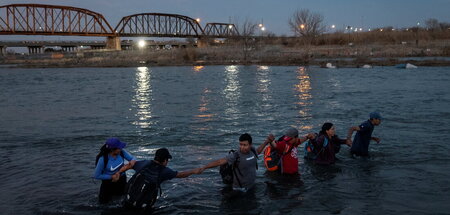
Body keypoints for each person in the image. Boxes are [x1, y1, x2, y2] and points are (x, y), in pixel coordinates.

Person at [124, 148, 203, 210]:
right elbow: (180, 175)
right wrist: (193, 171)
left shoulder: (144, 163)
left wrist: (118, 173)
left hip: (128, 200)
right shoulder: (164, 171)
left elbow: (130, 165)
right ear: (165, 160)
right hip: (143, 206)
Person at [200, 133, 273, 192]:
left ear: (250, 145)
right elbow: (220, 162)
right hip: (239, 190)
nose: (242, 147)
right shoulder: (236, 155)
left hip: (251, 186)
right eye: (240, 144)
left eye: (245, 145)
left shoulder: (252, 150)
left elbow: (258, 151)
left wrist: (266, 142)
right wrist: (204, 167)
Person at [94, 137, 137, 204]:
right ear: (112, 150)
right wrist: (112, 177)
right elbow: (96, 175)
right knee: (104, 204)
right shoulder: (103, 159)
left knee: (123, 201)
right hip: (108, 183)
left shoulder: (122, 152)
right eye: (119, 148)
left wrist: (133, 161)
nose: (121, 149)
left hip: (121, 180)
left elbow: (132, 158)